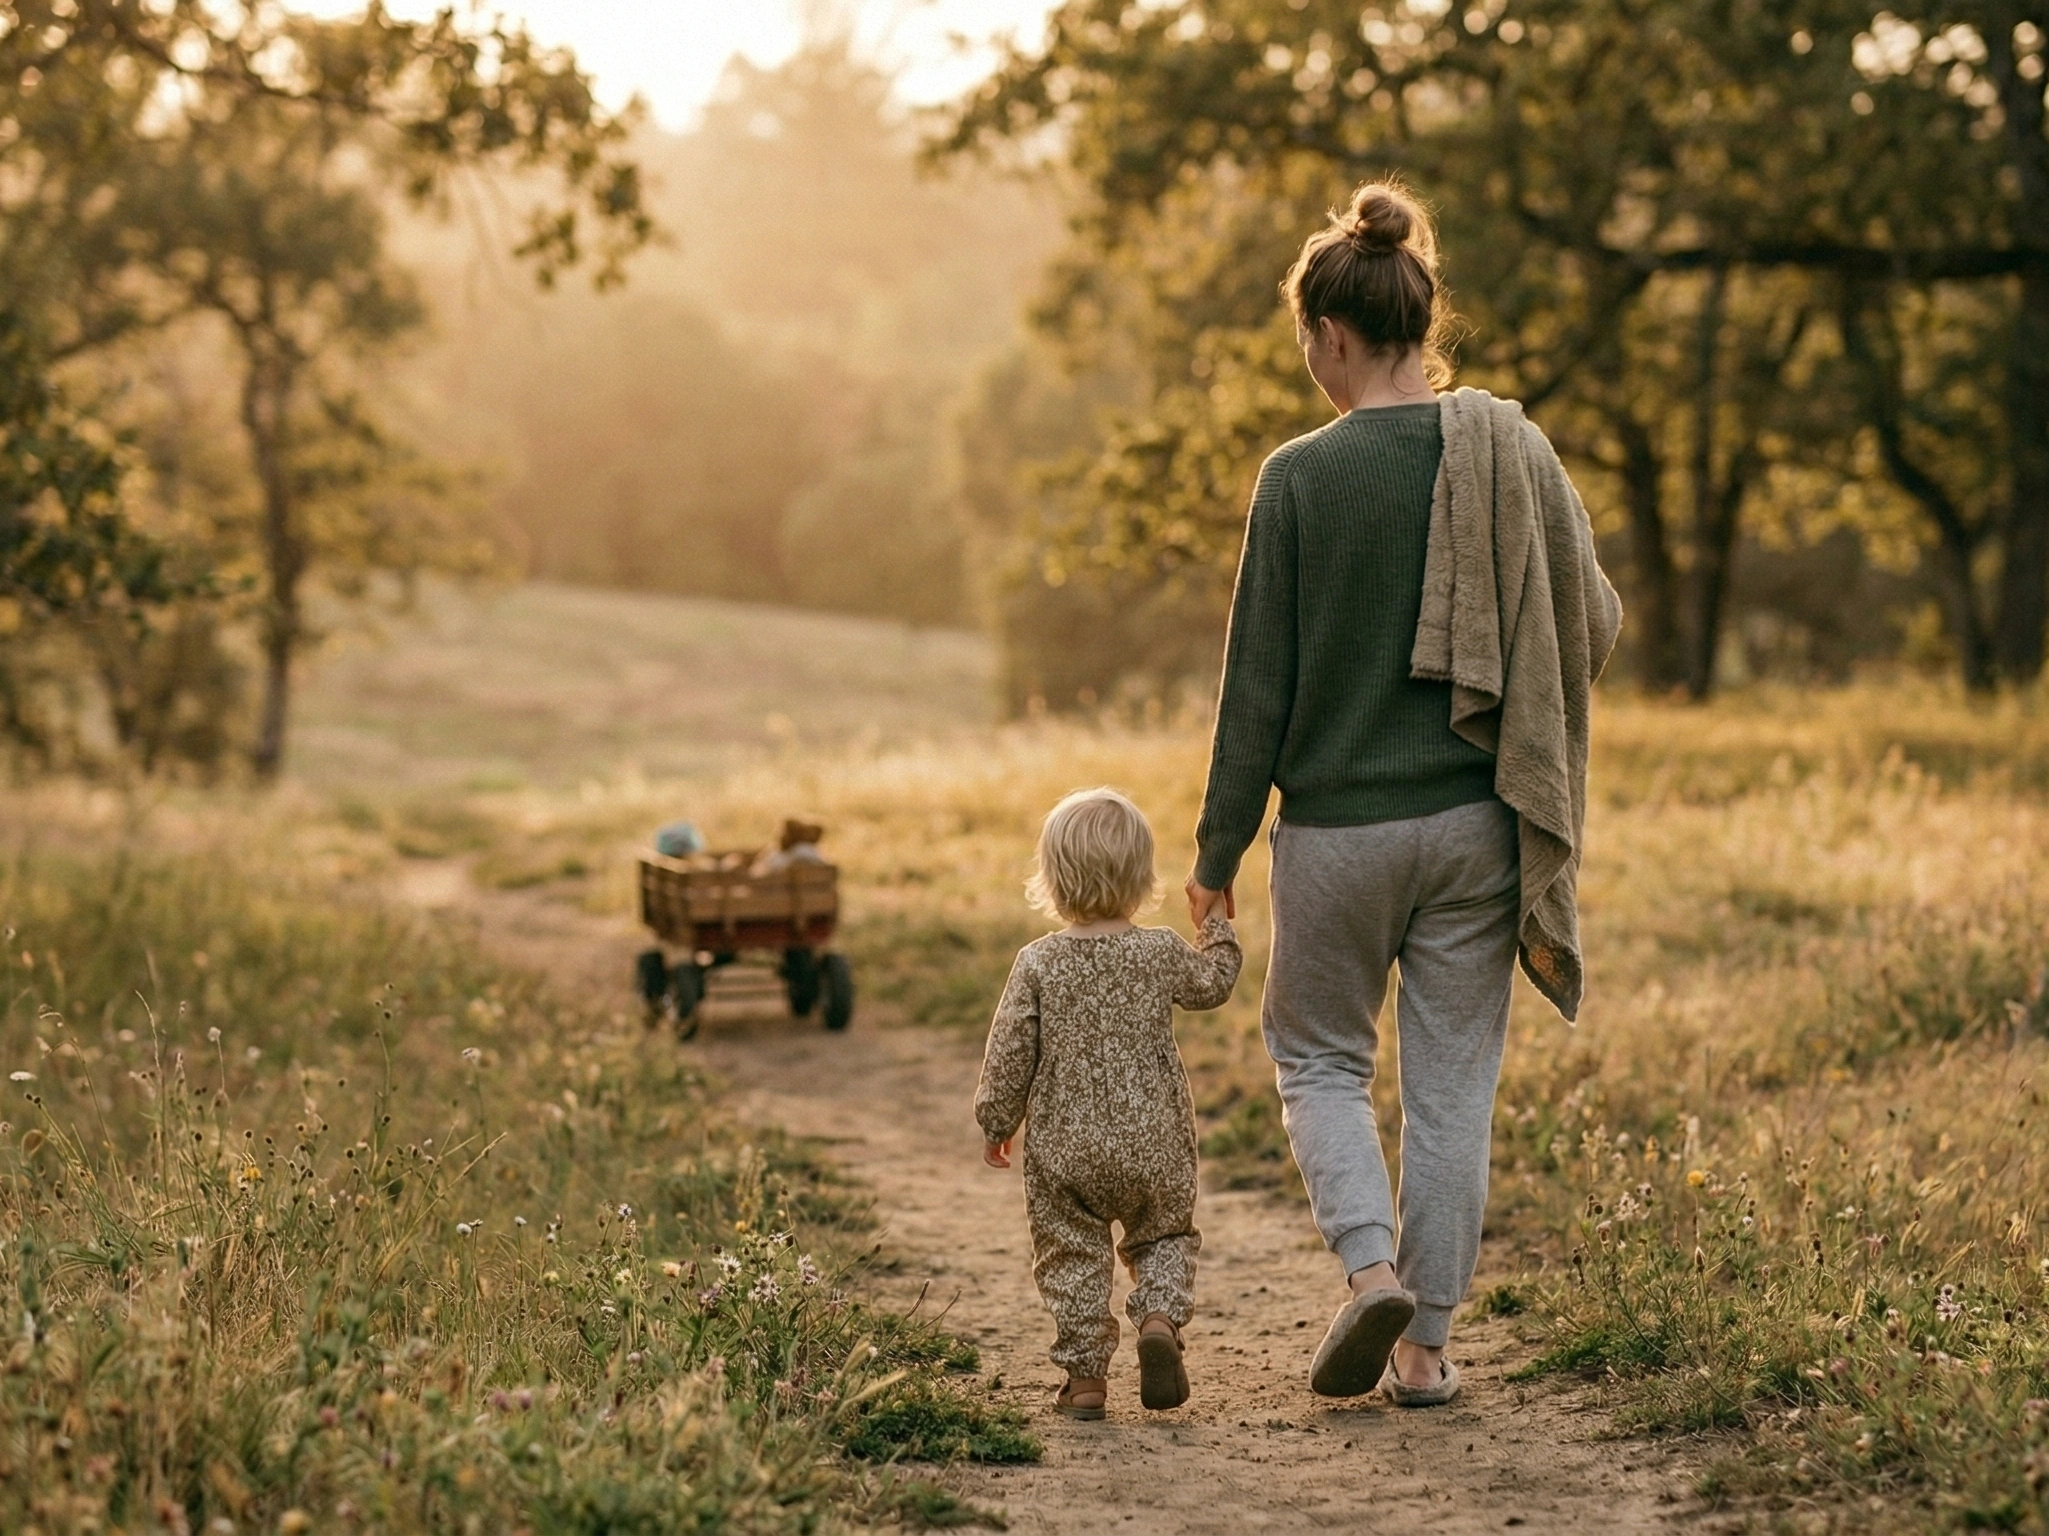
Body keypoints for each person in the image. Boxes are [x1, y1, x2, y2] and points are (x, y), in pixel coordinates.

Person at [1186, 181, 1621, 1408]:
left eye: (1305, 346)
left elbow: (1253, 692)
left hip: (1334, 836)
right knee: (1449, 1095)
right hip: (1480, 828)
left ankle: (1370, 1270)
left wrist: (1217, 849)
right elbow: (1592, 616)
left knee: (1318, 1057)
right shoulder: (1510, 449)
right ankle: (1426, 1351)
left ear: (1330, 336)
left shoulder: (1297, 480)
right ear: (1417, 328)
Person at [976, 788, 1243, 1419]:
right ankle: (1158, 1318)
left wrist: (996, 1120)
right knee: (1165, 1235)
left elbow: (1010, 1050)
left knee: (1070, 1251)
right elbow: (1213, 985)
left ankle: (1086, 1378)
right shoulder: (1159, 951)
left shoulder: (1038, 962)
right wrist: (1217, 929)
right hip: (1155, 1140)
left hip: (1065, 1149)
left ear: (1053, 878)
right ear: (1141, 876)